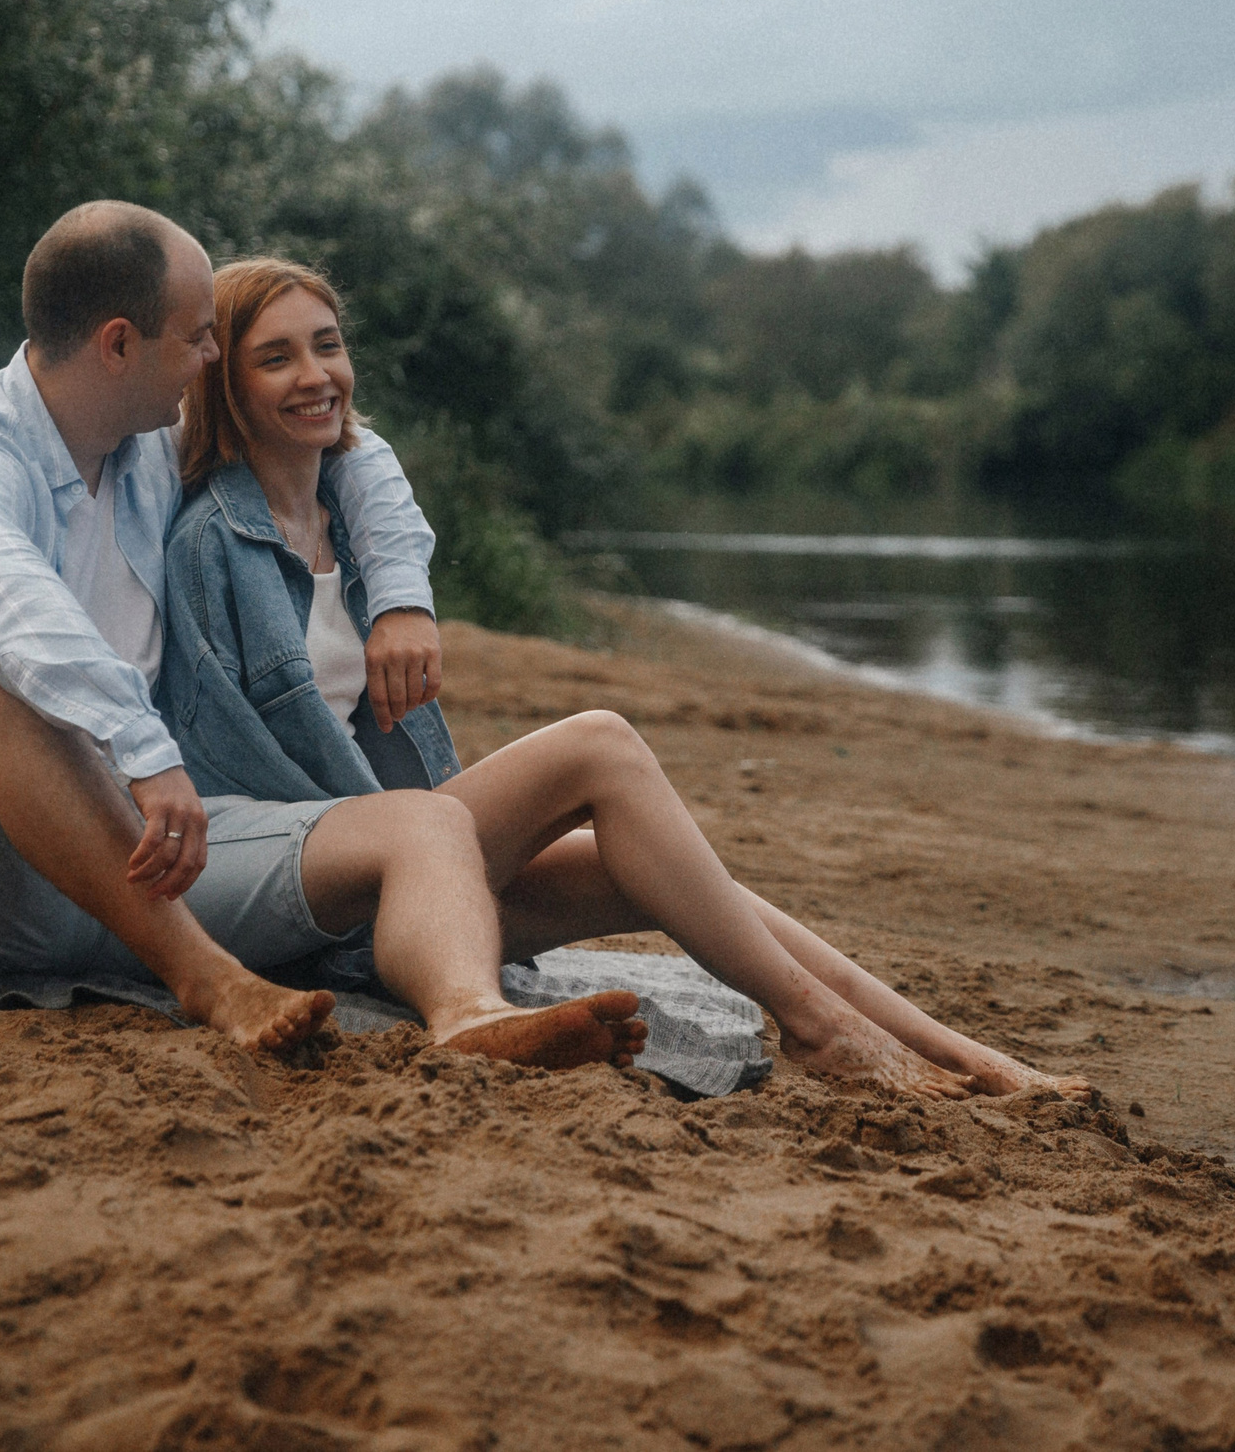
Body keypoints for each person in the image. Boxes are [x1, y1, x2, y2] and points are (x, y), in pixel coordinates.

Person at [163, 257, 1094, 1100]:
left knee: (681, 877)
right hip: (308, 882)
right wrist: (410, 856)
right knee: (600, 741)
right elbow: (231, 760)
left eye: (327, 345)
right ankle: (819, 1028)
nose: (316, 374)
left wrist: (426, 859)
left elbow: (375, 474)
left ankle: (954, 1051)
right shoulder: (213, 543)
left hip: (394, 859)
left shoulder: (350, 519)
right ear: (228, 385)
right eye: (276, 358)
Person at [0, 201, 644, 1070]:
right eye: (198, 338)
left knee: (427, 825)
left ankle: (472, 1014)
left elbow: (349, 444)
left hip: (137, 866)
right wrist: (145, 747)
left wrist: (399, 599)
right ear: (118, 344)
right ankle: (211, 982)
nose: (211, 358)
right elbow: (6, 602)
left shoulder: (145, 440)